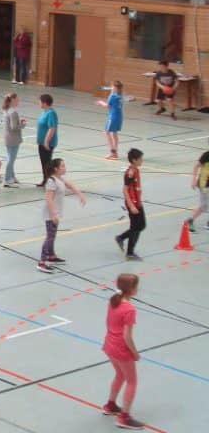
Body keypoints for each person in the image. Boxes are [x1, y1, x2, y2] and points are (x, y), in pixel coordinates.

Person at [102, 273, 144, 430]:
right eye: (136, 286)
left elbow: (108, 321)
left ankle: (110, 405)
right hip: (121, 348)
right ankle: (124, 417)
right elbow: (127, 336)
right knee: (132, 381)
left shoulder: (114, 300)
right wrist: (134, 352)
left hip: (109, 344)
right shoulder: (129, 309)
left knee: (120, 375)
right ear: (132, 289)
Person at [36, 158, 87, 273]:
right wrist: (53, 214)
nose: (65, 168)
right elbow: (48, 198)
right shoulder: (51, 181)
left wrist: (80, 194)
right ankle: (42, 262)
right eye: (62, 166)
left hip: (56, 212)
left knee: (52, 235)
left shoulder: (60, 179)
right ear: (56, 169)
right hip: (50, 213)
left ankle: (51, 256)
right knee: (49, 236)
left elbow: (71, 186)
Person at [115, 148, 146, 261]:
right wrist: (131, 205)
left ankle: (121, 238)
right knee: (136, 227)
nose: (142, 161)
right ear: (134, 160)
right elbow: (125, 190)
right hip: (132, 203)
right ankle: (130, 253)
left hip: (138, 202)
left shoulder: (136, 170)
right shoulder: (130, 173)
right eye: (140, 159)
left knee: (141, 225)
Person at [1, 92, 24, 188]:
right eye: (17, 99)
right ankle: (7, 179)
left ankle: (12, 177)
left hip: (7, 137)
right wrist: (22, 124)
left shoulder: (6, 110)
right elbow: (14, 127)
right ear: (13, 100)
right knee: (11, 159)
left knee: (10, 157)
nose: (18, 101)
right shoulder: (13, 112)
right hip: (13, 139)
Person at [97, 80, 124, 158]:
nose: (111, 87)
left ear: (115, 87)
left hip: (113, 117)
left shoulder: (112, 96)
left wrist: (100, 102)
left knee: (106, 132)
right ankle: (115, 152)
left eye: (112, 86)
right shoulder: (120, 95)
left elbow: (107, 106)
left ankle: (112, 152)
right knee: (114, 133)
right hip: (119, 117)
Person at [36, 94, 58, 187]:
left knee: (47, 163)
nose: (39, 103)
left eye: (40, 101)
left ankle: (50, 181)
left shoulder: (51, 113)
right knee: (44, 162)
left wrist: (46, 141)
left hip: (47, 143)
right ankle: (46, 180)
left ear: (45, 103)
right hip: (41, 142)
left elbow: (52, 128)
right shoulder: (45, 112)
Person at [187, 148, 209, 234]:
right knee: (203, 206)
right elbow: (196, 166)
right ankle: (191, 220)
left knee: (204, 206)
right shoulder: (206, 155)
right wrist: (193, 180)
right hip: (204, 185)